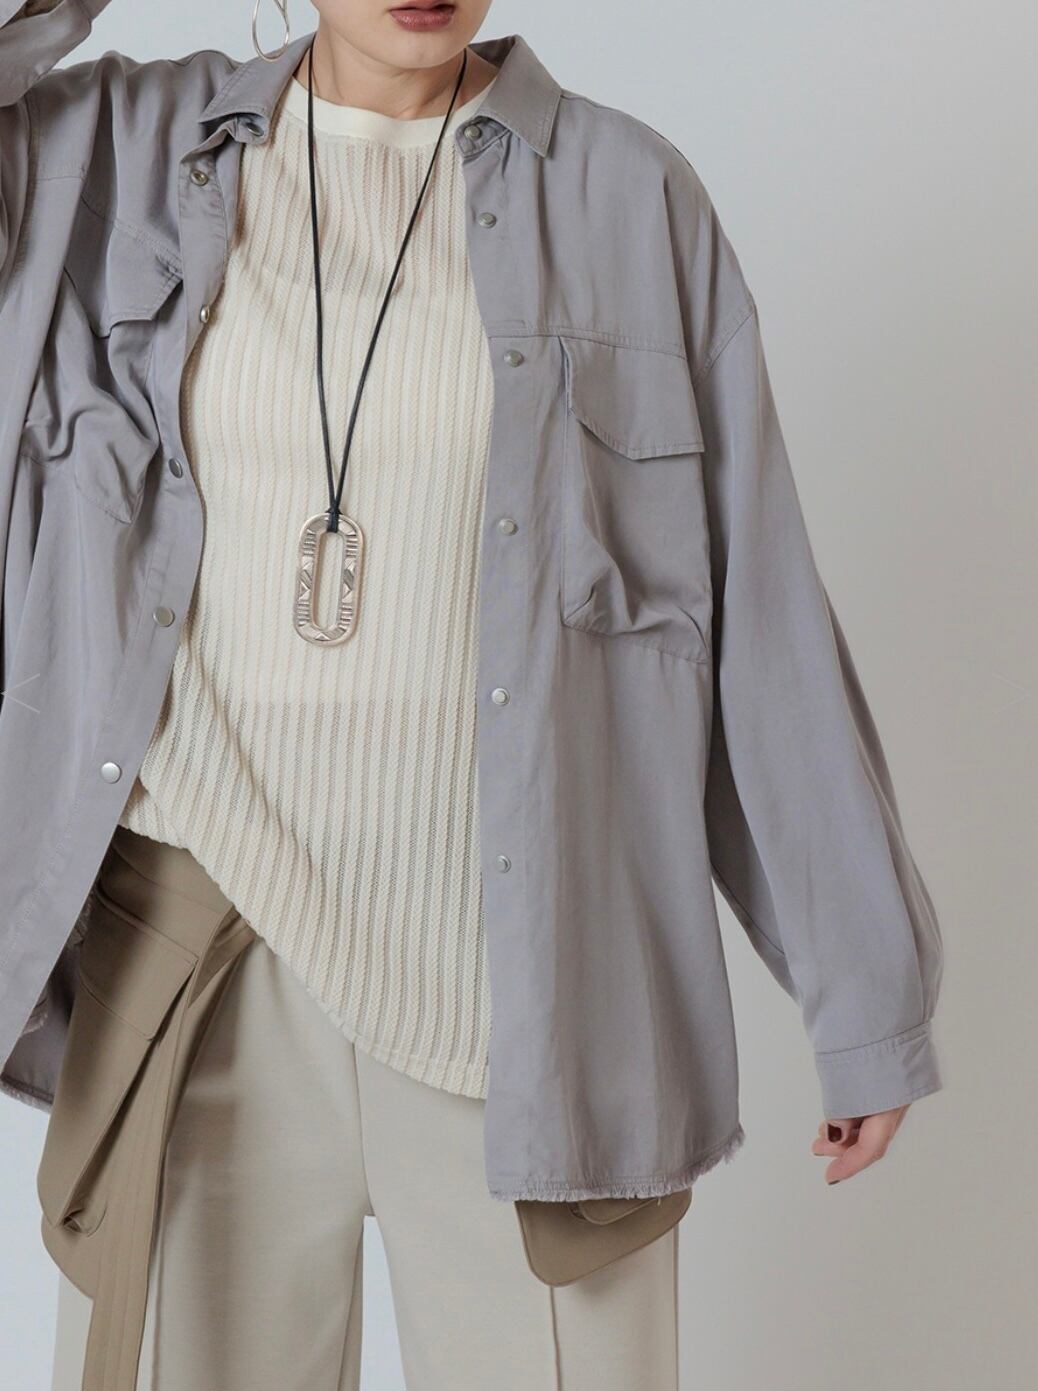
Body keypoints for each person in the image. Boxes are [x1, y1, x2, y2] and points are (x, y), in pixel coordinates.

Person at [0, 1, 945, 1387]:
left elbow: (756, 606)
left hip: (530, 974)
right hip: (203, 941)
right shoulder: (108, 149)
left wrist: (863, 995)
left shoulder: (626, 193)